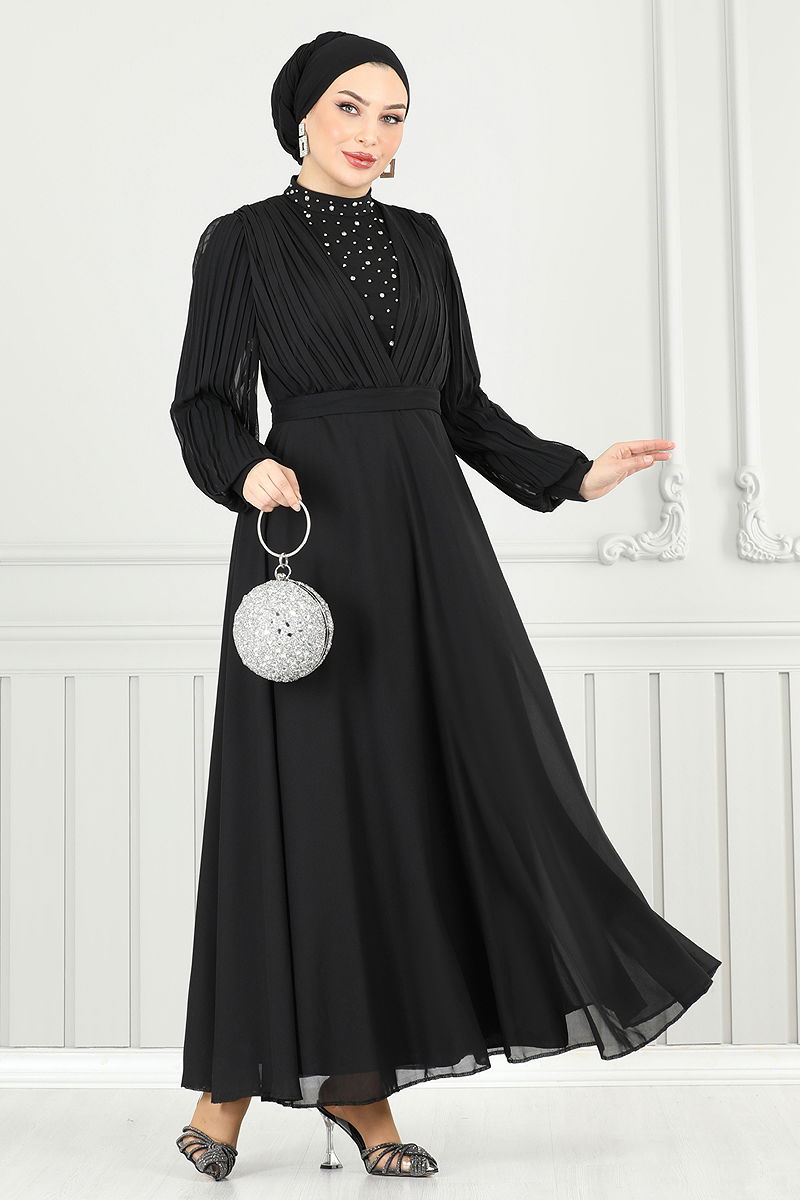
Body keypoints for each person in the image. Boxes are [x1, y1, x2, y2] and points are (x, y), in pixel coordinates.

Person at [170, 30, 721, 1181]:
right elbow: (203, 400)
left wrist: (569, 475)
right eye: (350, 107)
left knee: (438, 790)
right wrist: (244, 469)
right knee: (309, 806)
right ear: (301, 114)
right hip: (313, 542)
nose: (372, 133)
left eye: (393, 116)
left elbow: (457, 403)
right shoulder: (241, 240)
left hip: (431, 544)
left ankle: (361, 1084)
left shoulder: (420, 240)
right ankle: (237, 1085)